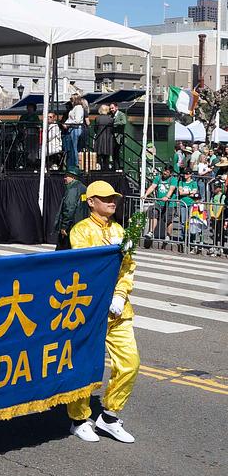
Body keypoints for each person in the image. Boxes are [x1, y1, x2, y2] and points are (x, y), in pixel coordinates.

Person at [67, 181, 139, 444]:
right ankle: (78, 419)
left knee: (130, 363)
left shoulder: (120, 229)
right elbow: (87, 266)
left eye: (114, 198)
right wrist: (113, 250)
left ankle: (109, 417)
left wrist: (120, 295)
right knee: (86, 365)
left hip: (119, 311)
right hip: (89, 309)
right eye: (106, 198)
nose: (112, 202)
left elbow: (128, 267)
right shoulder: (81, 231)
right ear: (91, 201)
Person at [53, 169, 88, 250]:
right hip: (81, 225)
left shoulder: (72, 190)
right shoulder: (84, 188)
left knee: (62, 252)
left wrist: (64, 226)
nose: (64, 178)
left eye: (66, 176)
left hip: (71, 226)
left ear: (73, 177)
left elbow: (69, 208)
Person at [143, 165, 177, 243]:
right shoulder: (158, 178)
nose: (165, 173)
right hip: (159, 202)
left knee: (168, 219)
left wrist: (167, 196)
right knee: (154, 212)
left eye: (167, 172)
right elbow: (152, 187)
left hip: (170, 203)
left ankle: (168, 235)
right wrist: (146, 194)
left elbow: (171, 189)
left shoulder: (173, 179)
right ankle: (151, 232)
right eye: (164, 171)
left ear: (170, 174)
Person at [62, 93, 86, 173]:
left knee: (74, 148)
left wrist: (67, 124)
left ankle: (76, 165)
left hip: (75, 129)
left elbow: (78, 120)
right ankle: (72, 164)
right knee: (72, 148)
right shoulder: (74, 108)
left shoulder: (78, 108)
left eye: (72, 99)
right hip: (72, 129)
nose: (71, 101)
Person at [93, 105, 116, 171]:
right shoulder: (111, 119)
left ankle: (99, 168)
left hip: (99, 137)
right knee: (107, 156)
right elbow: (112, 129)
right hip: (108, 138)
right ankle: (106, 169)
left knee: (99, 155)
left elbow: (95, 129)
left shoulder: (97, 118)